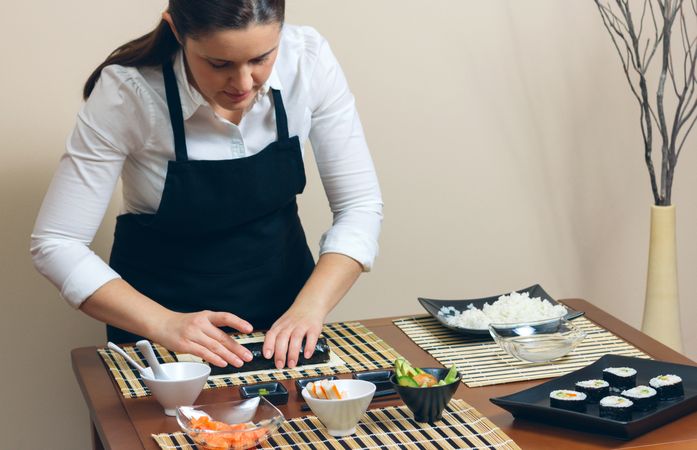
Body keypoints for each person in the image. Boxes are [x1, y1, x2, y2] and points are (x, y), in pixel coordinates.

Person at [30, 0, 382, 370]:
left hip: (285, 317)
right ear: (177, 30)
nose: (244, 83)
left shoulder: (307, 60)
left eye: (262, 58)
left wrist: (310, 308)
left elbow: (359, 205)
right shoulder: (129, 92)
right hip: (163, 329)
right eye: (220, 64)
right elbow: (57, 243)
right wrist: (164, 323)